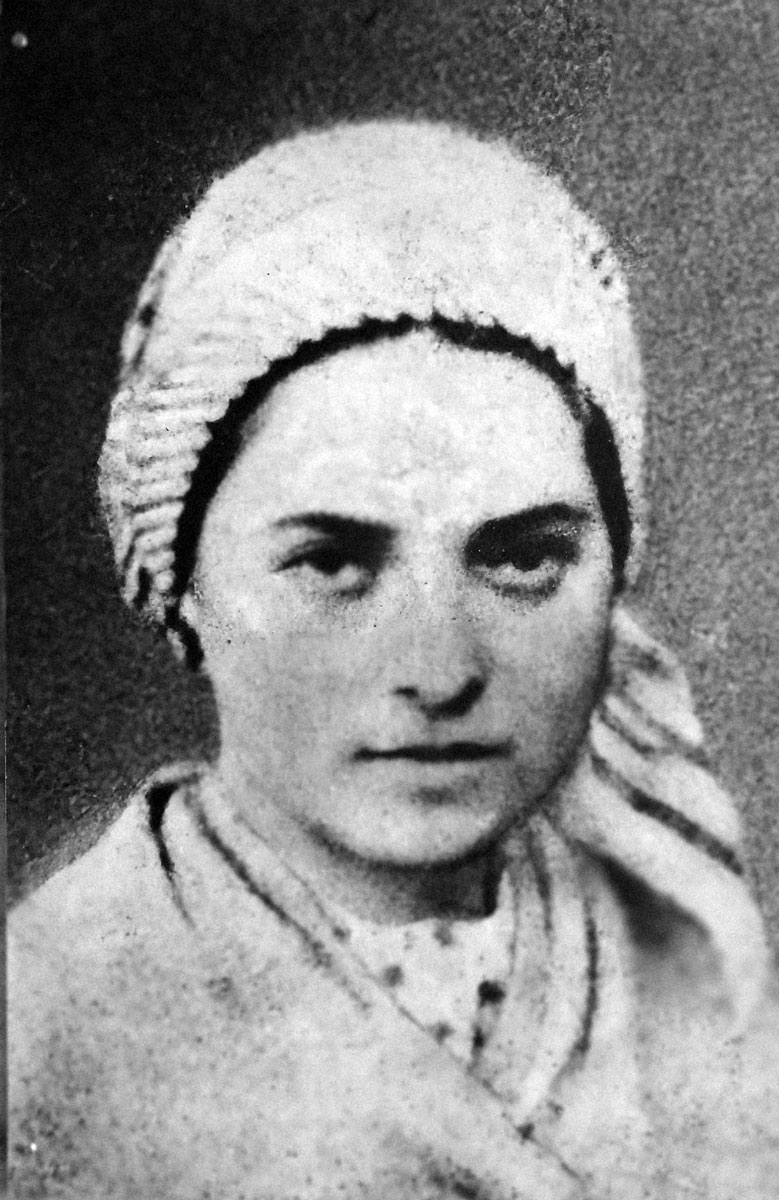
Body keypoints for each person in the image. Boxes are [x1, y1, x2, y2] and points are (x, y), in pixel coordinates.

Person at [8, 120, 779, 1200]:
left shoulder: (687, 963)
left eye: (522, 558)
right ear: (180, 580)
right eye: (332, 561)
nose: (438, 669)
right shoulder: (42, 1028)